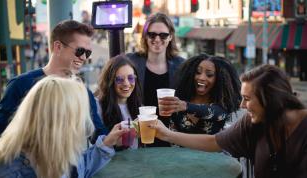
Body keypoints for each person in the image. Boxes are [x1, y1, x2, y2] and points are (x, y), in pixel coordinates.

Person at [151, 65, 307, 178]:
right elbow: (214, 142)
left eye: (247, 99)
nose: (242, 106)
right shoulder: (252, 122)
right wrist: (166, 134)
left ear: (270, 100)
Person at [0, 20, 106, 142]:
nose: (83, 57)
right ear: (58, 47)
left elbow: (98, 135)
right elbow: (1, 132)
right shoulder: (21, 85)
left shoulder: (85, 94)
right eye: (80, 51)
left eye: (88, 53)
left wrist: (118, 136)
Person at [0, 76, 127, 178]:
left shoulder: (56, 151)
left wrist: (108, 142)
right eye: (79, 115)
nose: (85, 124)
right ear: (60, 123)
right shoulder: (10, 172)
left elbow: (79, 168)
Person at [127, 12, 184, 147]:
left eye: (163, 35)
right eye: (152, 34)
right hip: (139, 137)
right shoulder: (131, 61)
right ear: (145, 37)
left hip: (171, 138)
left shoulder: (181, 65)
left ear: (170, 37)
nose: (157, 39)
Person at [159, 54, 241, 134]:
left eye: (209, 75)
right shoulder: (180, 98)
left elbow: (216, 113)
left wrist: (185, 106)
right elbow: (172, 134)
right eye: (198, 72)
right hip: (178, 147)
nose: (201, 78)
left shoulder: (222, 105)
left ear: (219, 80)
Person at [94, 54, 142, 149]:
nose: (127, 83)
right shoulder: (97, 107)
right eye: (119, 79)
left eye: (131, 78)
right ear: (110, 81)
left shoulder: (138, 106)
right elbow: (92, 147)